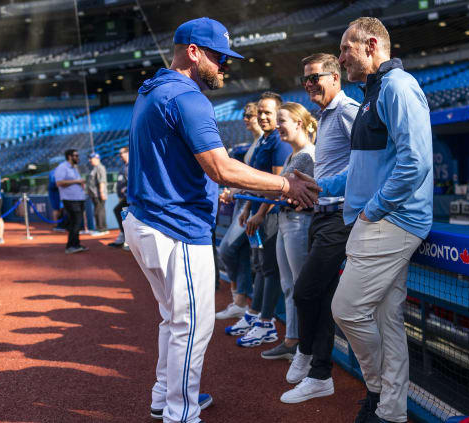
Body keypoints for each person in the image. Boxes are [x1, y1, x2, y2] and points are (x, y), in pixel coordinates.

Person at [123, 17, 318, 423]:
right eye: (219, 57)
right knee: (191, 328)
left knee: (173, 320)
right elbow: (222, 169)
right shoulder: (187, 97)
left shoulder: (153, 89)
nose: (225, 66)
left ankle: (166, 397)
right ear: (193, 52)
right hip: (175, 228)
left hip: (146, 220)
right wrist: (286, 186)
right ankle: (181, 413)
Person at [307, 17, 433, 423]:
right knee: (387, 322)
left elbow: (416, 163)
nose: (341, 56)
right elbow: (361, 171)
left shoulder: (397, 86)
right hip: (379, 219)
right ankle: (391, 412)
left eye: (346, 48)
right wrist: (316, 186)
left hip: (389, 221)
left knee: (345, 310)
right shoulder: (373, 92)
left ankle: (378, 391)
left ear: (372, 45)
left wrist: (372, 209)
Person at [280, 53, 359, 404]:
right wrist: (310, 190)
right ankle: (320, 374)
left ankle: (307, 354)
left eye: (315, 78)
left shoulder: (347, 111)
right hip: (321, 214)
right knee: (322, 298)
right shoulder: (327, 116)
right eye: (305, 79)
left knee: (304, 292)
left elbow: (366, 165)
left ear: (335, 77)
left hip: (340, 218)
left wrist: (321, 189)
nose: (309, 84)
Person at [226, 92, 293, 348]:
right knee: (261, 267)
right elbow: (257, 184)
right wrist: (246, 210)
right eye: (261, 112)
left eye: (268, 112)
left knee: (269, 269)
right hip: (256, 213)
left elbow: (278, 186)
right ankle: (255, 316)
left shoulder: (279, 142)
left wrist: (260, 212)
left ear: (279, 114)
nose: (263, 117)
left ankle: (266, 323)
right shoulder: (265, 140)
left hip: (271, 215)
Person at [260, 102, 317, 364]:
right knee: (290, 285)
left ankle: (306, 346)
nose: (277, 126)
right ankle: (293, 340)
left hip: (298, 222)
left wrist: (246, 184)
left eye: (282, 120)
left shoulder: (305, 155)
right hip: (286, 221)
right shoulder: (291, 155)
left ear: (299, 123)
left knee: (300, 286)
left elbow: (277, 190)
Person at [215, 102, 263, 320]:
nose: (246, 118)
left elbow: (257, 179)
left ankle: (245, 301)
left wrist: (237, 192)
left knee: (227, 250)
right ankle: (240, 302)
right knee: (241, 253)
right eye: (245, 114)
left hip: (252, 205)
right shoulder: (256, 142)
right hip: (243, 203)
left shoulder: (266, 142)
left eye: (250, 114)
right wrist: (233, 191)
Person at [54, 149, 88, 254]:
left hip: (78, 198)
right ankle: (70, 246)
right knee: (75, 222)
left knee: (77, 223)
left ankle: (76, 244)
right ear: (69, 156)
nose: (78, 157)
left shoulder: (74, 168)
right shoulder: (62, 167)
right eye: (76, 155)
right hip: (70, 199)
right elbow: (59, 182)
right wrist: (77, 181)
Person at [109, 146, 130, 249]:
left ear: (128, 153)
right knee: (122, 215)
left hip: (131, 198)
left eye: (123, 153)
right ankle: (124, 237)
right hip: (125, 197)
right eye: (120, 153)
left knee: (122, 214)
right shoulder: (124, 166)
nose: (121, 155)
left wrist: (125, 191)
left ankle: (128, 240)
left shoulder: (132, 166)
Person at [86, 152, 108, 236]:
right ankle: (101, 228)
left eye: (91, 158)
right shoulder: (94, 168)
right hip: (94, 194)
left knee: (99, 211)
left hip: (98, 194)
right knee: (98, 211)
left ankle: (102, 229)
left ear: (96, 158)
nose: (89, 160)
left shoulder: (100, 168)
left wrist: (102, 192)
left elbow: (101, 181)